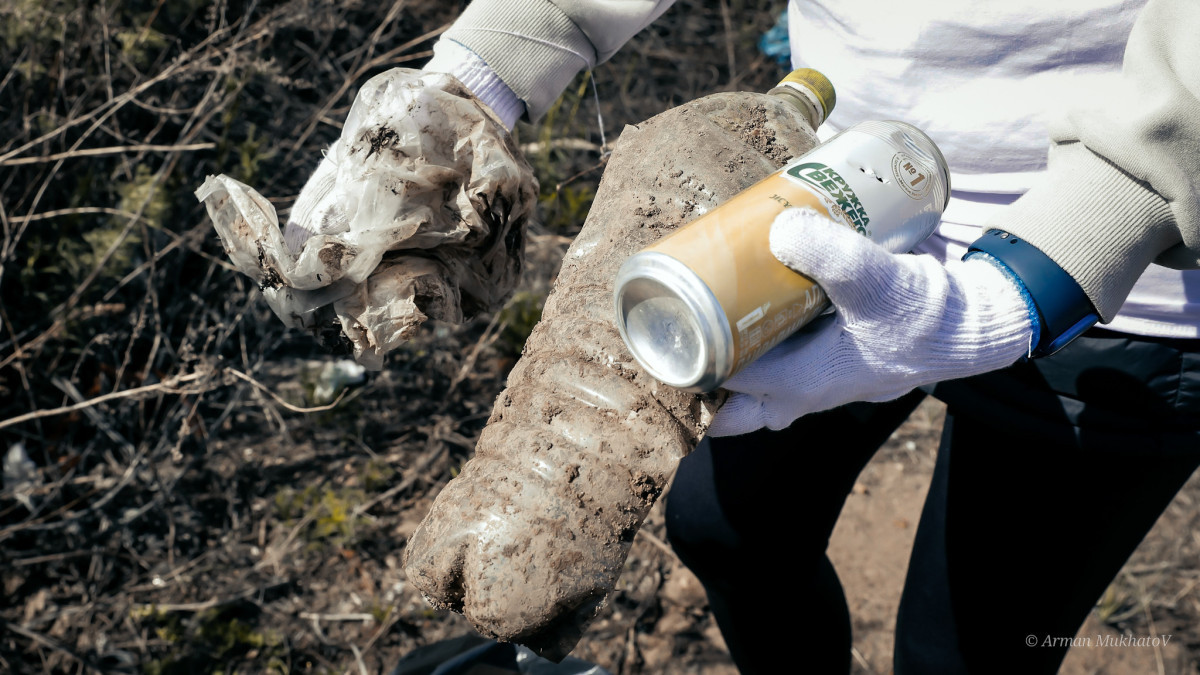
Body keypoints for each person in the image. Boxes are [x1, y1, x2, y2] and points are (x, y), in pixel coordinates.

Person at [298, 1, 1200, 672]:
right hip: (834, 205)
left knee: (964, 652)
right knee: (724, 524)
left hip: (1121, 273)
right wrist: (473, 80)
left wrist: (1030, 284)